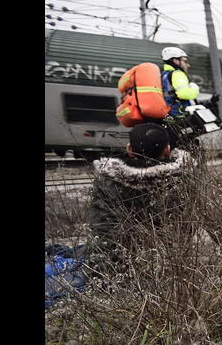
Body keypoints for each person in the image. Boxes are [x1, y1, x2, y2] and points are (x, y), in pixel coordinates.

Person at [78, 122, 195, 287]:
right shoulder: (184, 178)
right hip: (169, 265)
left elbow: (101, 227)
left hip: (114, 267)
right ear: (168, 150)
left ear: (129, 150)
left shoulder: (107, 180)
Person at [159, 47, 200, 148]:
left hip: (168, 118)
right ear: (175, 61)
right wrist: (195, 89)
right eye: (185, 61)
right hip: (178, 117)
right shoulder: (177, 74)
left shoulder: (163, 75)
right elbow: (183, 93)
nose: (188, 65)